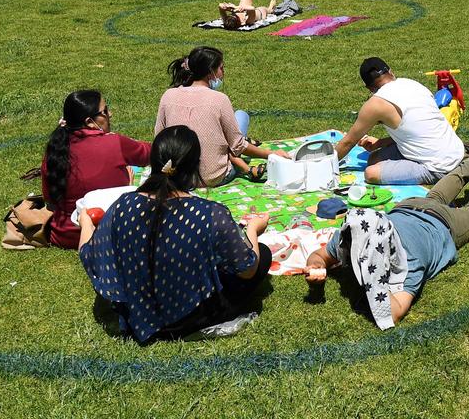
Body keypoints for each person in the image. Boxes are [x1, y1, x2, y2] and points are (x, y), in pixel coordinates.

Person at [78, 125, 272, 343]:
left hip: (138, 308)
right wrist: (253, 230)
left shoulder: (124, 205)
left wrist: (86, 225)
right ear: (196, 165)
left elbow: (90, 255)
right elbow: (247, 269)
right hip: (191, 315)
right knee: (261, 254)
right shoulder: (210, 214)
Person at [303, 150, 469, 328]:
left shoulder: (409, 262)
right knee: (435, 197)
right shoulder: (353, 232)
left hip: (443, 225)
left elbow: (395, 311)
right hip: (411, 207)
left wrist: (374, 279)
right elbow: (319, 256)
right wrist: (315, 268)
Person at [155, 46, 288, 185]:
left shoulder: (168, 95)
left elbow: (159, 137)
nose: (223, 73)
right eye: (221, 68)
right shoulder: (219, 99)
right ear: (211, 72)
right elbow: (238, 146)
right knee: (241, 116)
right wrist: (271, 154)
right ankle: (241, 160)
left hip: (176, 177)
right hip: (212, 177)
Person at [41, 90, 151, 249]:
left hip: (64, 236)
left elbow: (49, 198)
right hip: (110, 233)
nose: (110, 114)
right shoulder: (115, 143)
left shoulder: (55, 148)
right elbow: (153, 153)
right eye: (105, 111)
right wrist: (128, 181)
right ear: (90, 121)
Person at [334, 58, 466, 185]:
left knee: (371, 173)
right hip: (455, 150)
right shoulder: (412, 84)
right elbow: (417, 129)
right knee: (373, 159)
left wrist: (326, 167)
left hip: (439, 167)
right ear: (391, 71)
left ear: (368, 88)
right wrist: (380, 143)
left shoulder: (375, 104)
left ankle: (437, 176)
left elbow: (349, 141)